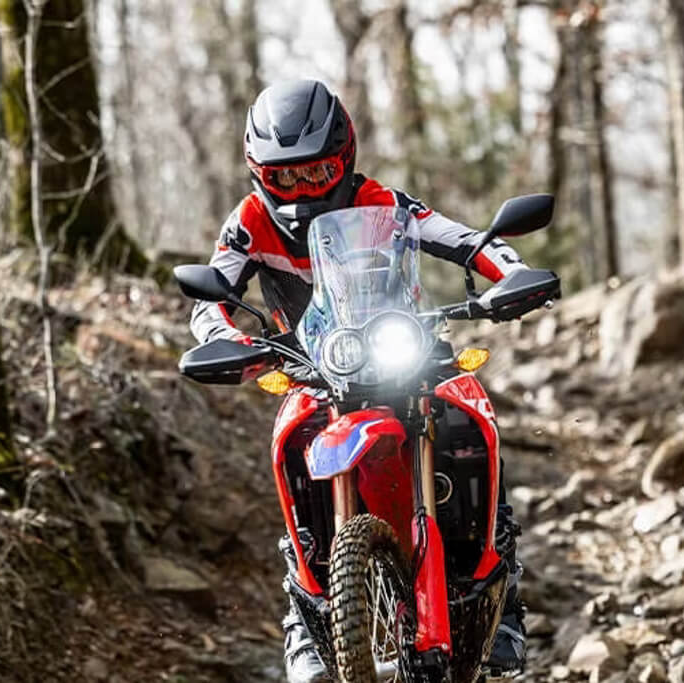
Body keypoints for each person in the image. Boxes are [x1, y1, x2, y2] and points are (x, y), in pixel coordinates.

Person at [190, 79, 527, 683]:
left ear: (344, 157)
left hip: (403, 350)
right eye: (285, 178)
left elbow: (465, 240)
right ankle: (304, 611)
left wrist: (513, 275)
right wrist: (227, 340)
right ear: (258, 174)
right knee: (290, 440)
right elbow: (210, 298)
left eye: (316, 173)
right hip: (312, 365)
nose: (302, 190)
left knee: (470, 410)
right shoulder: (247, 223)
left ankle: (504, 592)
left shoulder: (385, 203)